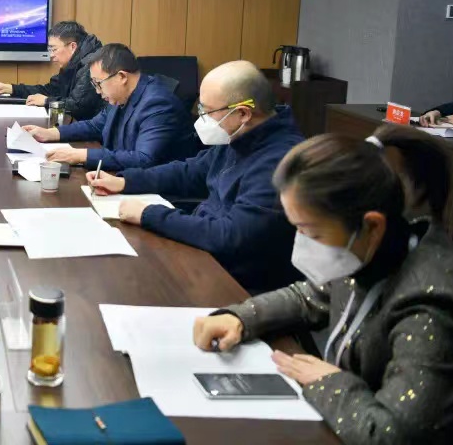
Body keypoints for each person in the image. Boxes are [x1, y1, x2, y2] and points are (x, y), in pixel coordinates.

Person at [192, 125, 453, 444]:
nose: (302, 243)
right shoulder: (371, 248)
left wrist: (328, 382)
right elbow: (311, 296)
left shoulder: (432, 304)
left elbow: (391, 434)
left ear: (372, 225)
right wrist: (240, 317)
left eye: (312, 232)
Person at [87, 61, 303, 294]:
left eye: (208, 112)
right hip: (204, 253)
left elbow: (230, 236)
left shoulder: (280, 161)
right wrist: (125, 181)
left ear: (242, 113)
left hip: (236, 282)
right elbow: (190, 171)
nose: (202, 119)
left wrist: (148, 214)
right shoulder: (241, 136)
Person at [22, 43, 196, 169]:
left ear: (121, 77)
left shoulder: (157, 104)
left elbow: (143, 159)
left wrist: (81, 155)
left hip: (156, 193)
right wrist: (49, 133)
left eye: (99, 84)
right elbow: (94, 126)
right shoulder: (121, 96)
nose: (97, 91)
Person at [0, 20, 103, 121]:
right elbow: (51, 90)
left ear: (73, 46)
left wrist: (47, 101)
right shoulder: (72, 64)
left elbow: (78, 106)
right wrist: (10, 88)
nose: (51, 55)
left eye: (54, 49)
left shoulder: (91, 65)